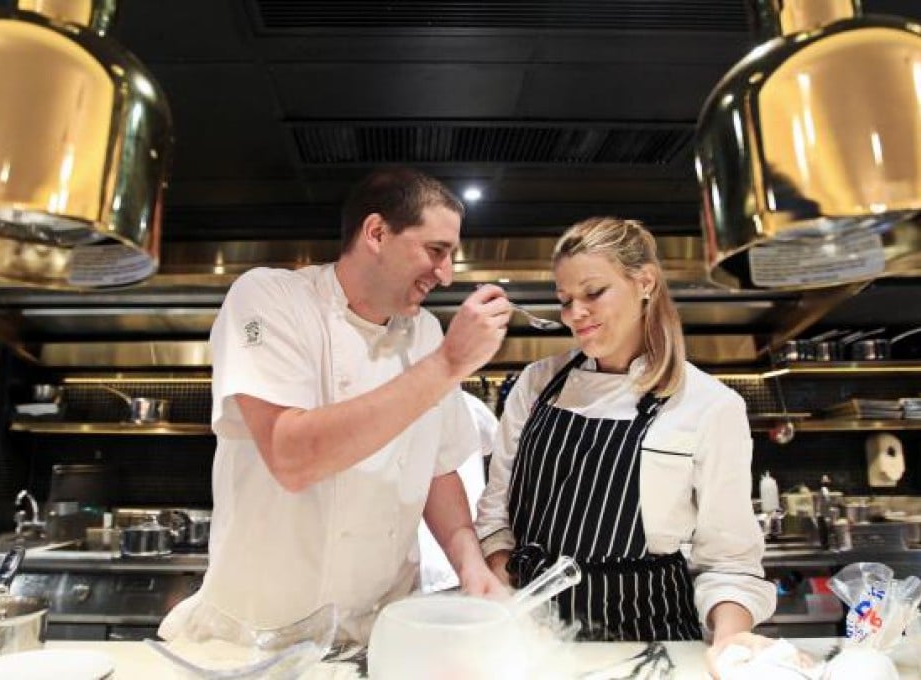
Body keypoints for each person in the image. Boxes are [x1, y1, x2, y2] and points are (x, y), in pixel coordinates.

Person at [159, 166, 511, 643]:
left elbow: (438, 469)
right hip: (259, 638)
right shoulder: (270, 298)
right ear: (376, 232)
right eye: (436, 251)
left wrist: (471, 567)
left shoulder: (426, 332)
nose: (446, 275)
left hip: (376, 634)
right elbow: (292, 456)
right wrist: (449, 364)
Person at [475, 217, 776, 654]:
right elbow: (496, 516)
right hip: (534, 641)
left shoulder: (709, 406)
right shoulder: (536, 384)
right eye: (564, 300)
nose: (576, 314)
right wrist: (507, 599)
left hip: (651, 640)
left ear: (645, 282)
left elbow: (729, 559)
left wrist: (731, 640)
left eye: (593, 292)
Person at [418, 391, 497, 593]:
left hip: (437, 570)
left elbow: (439, 471)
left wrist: (471, 563)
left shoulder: (462, 403)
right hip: (330, 590)